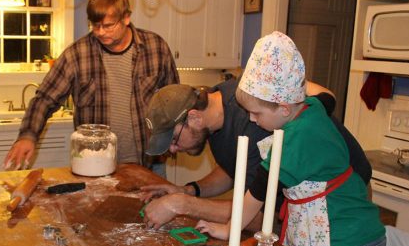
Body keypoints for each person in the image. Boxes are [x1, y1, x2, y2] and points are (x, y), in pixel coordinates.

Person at [197, 31, 385, 246]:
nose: (252, 120)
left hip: (347, 243)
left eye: (256, 113)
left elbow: (258, 192)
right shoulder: (310, 108)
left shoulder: (296, 138)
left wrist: (229, 229)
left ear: (284, 108)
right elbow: (327, 97)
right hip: (344, 235)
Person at [140, 80, 371, 230]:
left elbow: (261, 215)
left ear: (194, 118)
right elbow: (235, 168)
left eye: (173, 140)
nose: (172, 150)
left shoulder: (260, 124)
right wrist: (188, 190)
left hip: (341, 209)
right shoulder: (218, 104)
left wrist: (182, 204)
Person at [3, 0, 179, 171]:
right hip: (94, 164)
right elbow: (45, 99)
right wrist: (27, 136)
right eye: (95, 26)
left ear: (126, 18)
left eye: (108, 25)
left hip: (150, 162)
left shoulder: (156, 47)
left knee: (155, 202)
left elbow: (174, 101)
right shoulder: (77, 54)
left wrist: (175, 138)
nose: (100, 32)